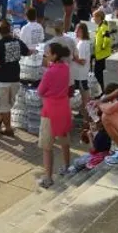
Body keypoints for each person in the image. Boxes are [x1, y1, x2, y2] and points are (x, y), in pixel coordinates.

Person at [38, 41, 74, 188]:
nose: (46, 54)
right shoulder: (65, 68)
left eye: (48, 53)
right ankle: (67, 167)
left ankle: (48, 177)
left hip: (50, 110)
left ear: (54, 55)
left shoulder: (49, 72)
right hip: (64, 107)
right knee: (64, 140)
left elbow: (40, 91)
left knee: (47, 146)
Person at [0, 22, 28, 138]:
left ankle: (8, 129)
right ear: (10, 30)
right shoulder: (17, 42)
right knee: (8, 105)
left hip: (1, 80)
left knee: (4, 106)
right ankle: (0, 122)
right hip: (15, 78)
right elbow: (27, 52)